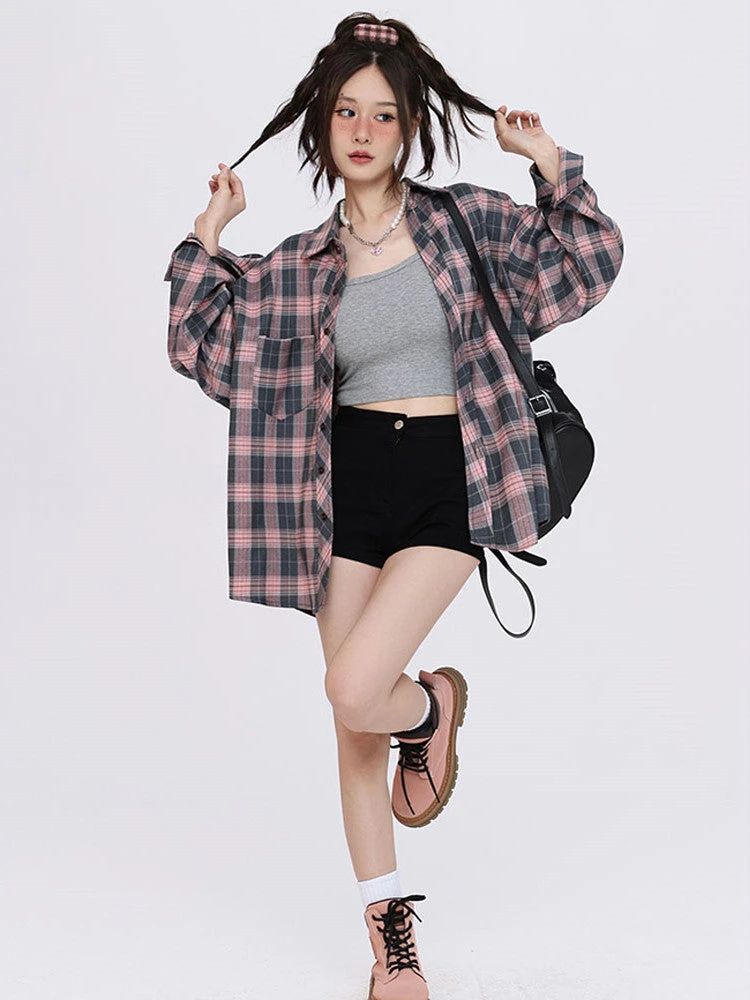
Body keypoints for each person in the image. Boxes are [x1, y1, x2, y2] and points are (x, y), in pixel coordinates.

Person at [163, 13, 624, 998]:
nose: (363, 130)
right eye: (346, 112)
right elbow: (206, 348)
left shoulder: (467, 223)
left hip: (452, 476)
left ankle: (429, 707)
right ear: (323, 126)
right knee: (352, 721)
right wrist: (210, 235)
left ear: (410, 126)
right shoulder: (296, 266)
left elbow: (586, 260)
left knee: (353, 685)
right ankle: (390, 940)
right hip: (346, 485)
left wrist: (548, 163)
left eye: (382, 113)